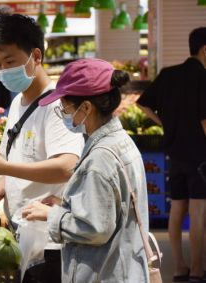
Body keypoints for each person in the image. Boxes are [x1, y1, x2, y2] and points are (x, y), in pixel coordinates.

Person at [0, 13, 84, 280]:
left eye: (10, 61)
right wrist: (2, 184)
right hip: (24, 233)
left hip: (51, 242)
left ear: (36, 56)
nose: (3, 71)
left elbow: (67, 166)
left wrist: (4, 166)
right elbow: (16, 155)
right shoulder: (19, 101)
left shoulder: (58, 106)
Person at [21, 58, 150, 282]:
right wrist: (69, 205)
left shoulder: (99, 158)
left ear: (87, 107)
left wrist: (52, 216)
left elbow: (96, 229)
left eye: (65, 106)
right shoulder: (121, 142)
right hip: (126, 268)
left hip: (103, 272)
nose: (62, 112)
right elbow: (113, 208)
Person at [137, 27, 206, 282]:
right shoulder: (202, 77)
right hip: (200, 154)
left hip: (174, 151)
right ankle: (198, 270)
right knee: (198, 211)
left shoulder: (168, 74)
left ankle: (179, 267)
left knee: (177, 207)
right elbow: (204, 120)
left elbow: (142, 103)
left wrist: (165, 122)